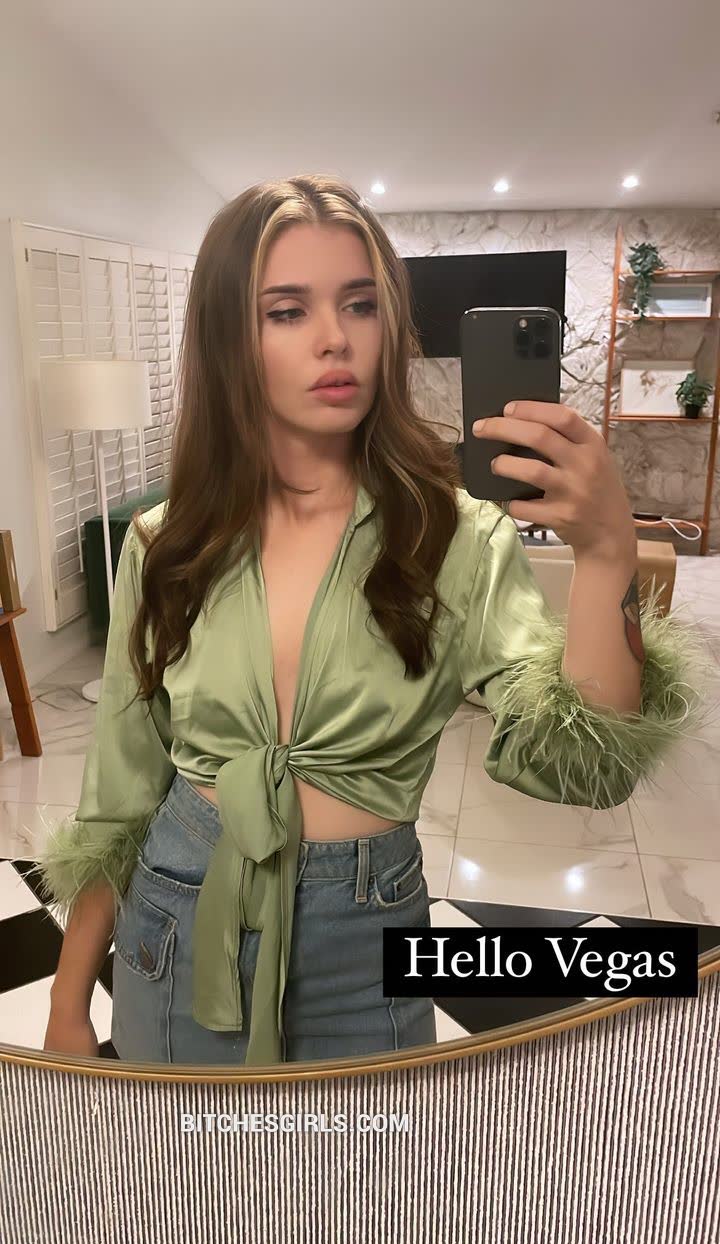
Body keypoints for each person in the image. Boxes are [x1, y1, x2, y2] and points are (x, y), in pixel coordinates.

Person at [37, 173, 711, 1067]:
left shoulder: (455, 537)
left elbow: (585, 767)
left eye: (360, 303)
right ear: (229, 337)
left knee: (363, 1164)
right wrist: (68, 1000)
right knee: (190, 1164)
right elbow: (119, 798)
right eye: (287, 311)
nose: (335, 337)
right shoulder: (165, 544)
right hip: (179, 915)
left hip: (364, 938)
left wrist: (606, 556)